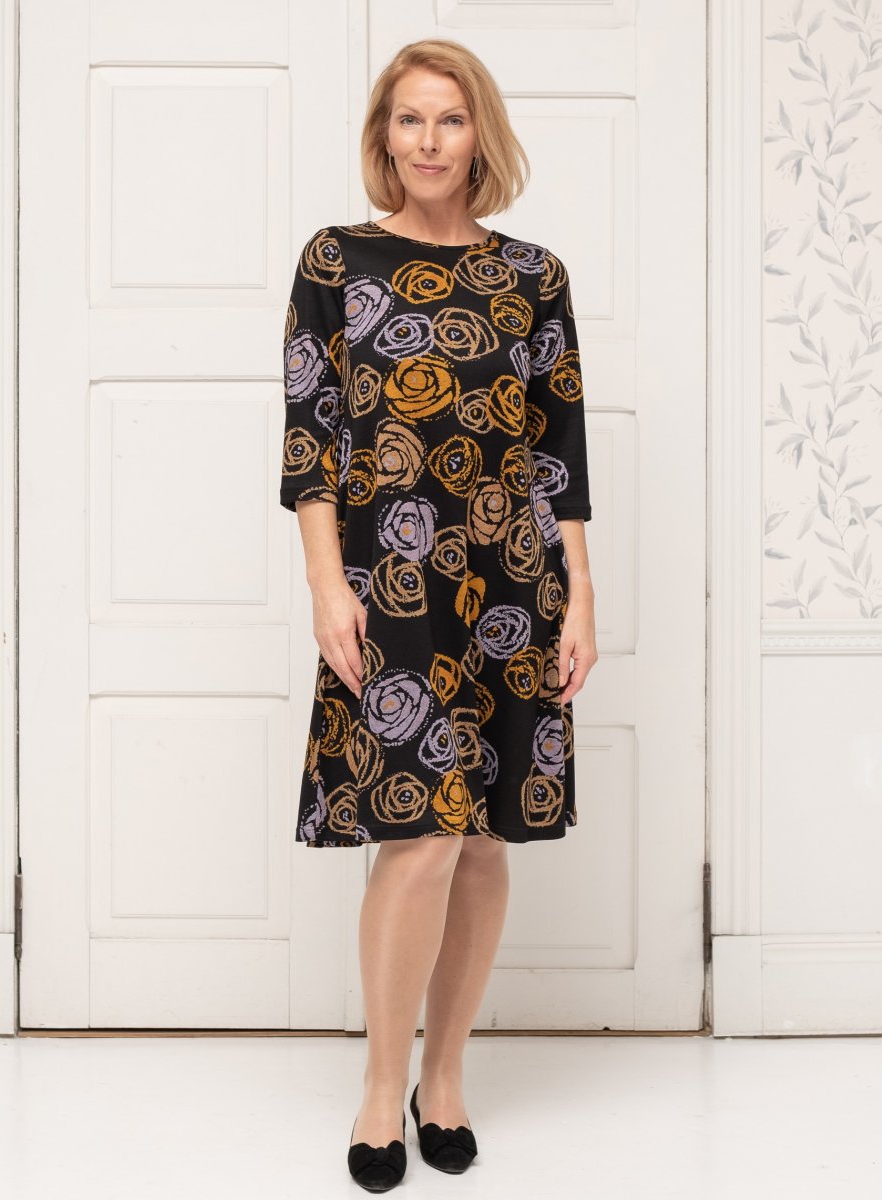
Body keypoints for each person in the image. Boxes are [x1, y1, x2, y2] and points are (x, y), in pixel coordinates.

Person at [280, 37, 597, 1192]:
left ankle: (444, 1076)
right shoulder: (335, 261)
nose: (427, 142)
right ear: (384, 135)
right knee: (416, 836)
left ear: (479, 136)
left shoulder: (533, 276)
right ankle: (380, 1088)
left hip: (512, 579)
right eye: (408, 119)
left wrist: (579, 593)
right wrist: (326, 585)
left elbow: (557, 448)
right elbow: (311, 438)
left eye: (449, 120)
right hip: (391, 586)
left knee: (480, 841)